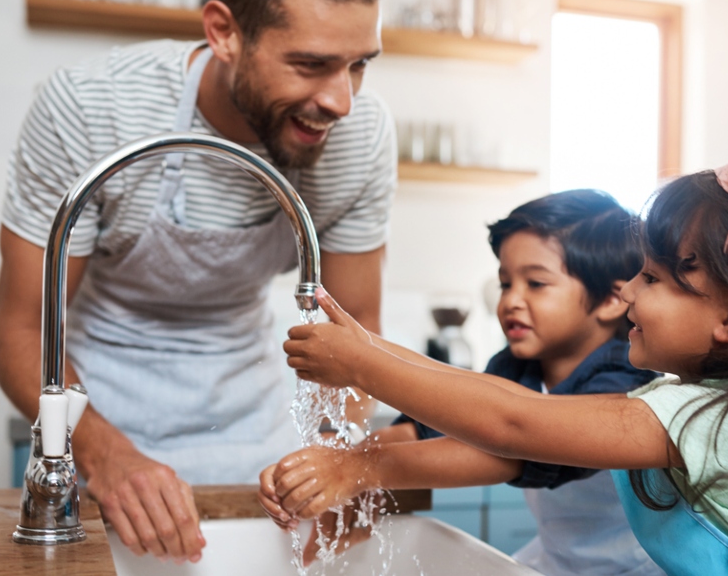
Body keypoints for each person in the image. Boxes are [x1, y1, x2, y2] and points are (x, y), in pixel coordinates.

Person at [279, 152, 728, 575]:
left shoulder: (690, 413)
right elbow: (481, 398)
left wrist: (365, 364)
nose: (629, 293)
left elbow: (511, 423)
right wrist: (364, 377)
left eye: (652, 279)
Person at [0, 0, 394, 564]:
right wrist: (102, 455)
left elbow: (358, 331)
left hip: (255, 424)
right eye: (311, 64)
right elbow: (20, 332)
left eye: (358, 65)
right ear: (224, 32)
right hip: (97, 409)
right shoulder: (92, 109)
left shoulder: (358, 137)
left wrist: (339, 457)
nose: (340, 99)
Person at [260, 190, 667, 574]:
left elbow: (512, 448)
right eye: (506, 283)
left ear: (614, 299)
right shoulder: (516, 365)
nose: (510, 300)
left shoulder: (625, 378)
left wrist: (357, 468)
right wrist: (323, 466)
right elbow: (429, 424)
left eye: (536, 283)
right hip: (556, 561)